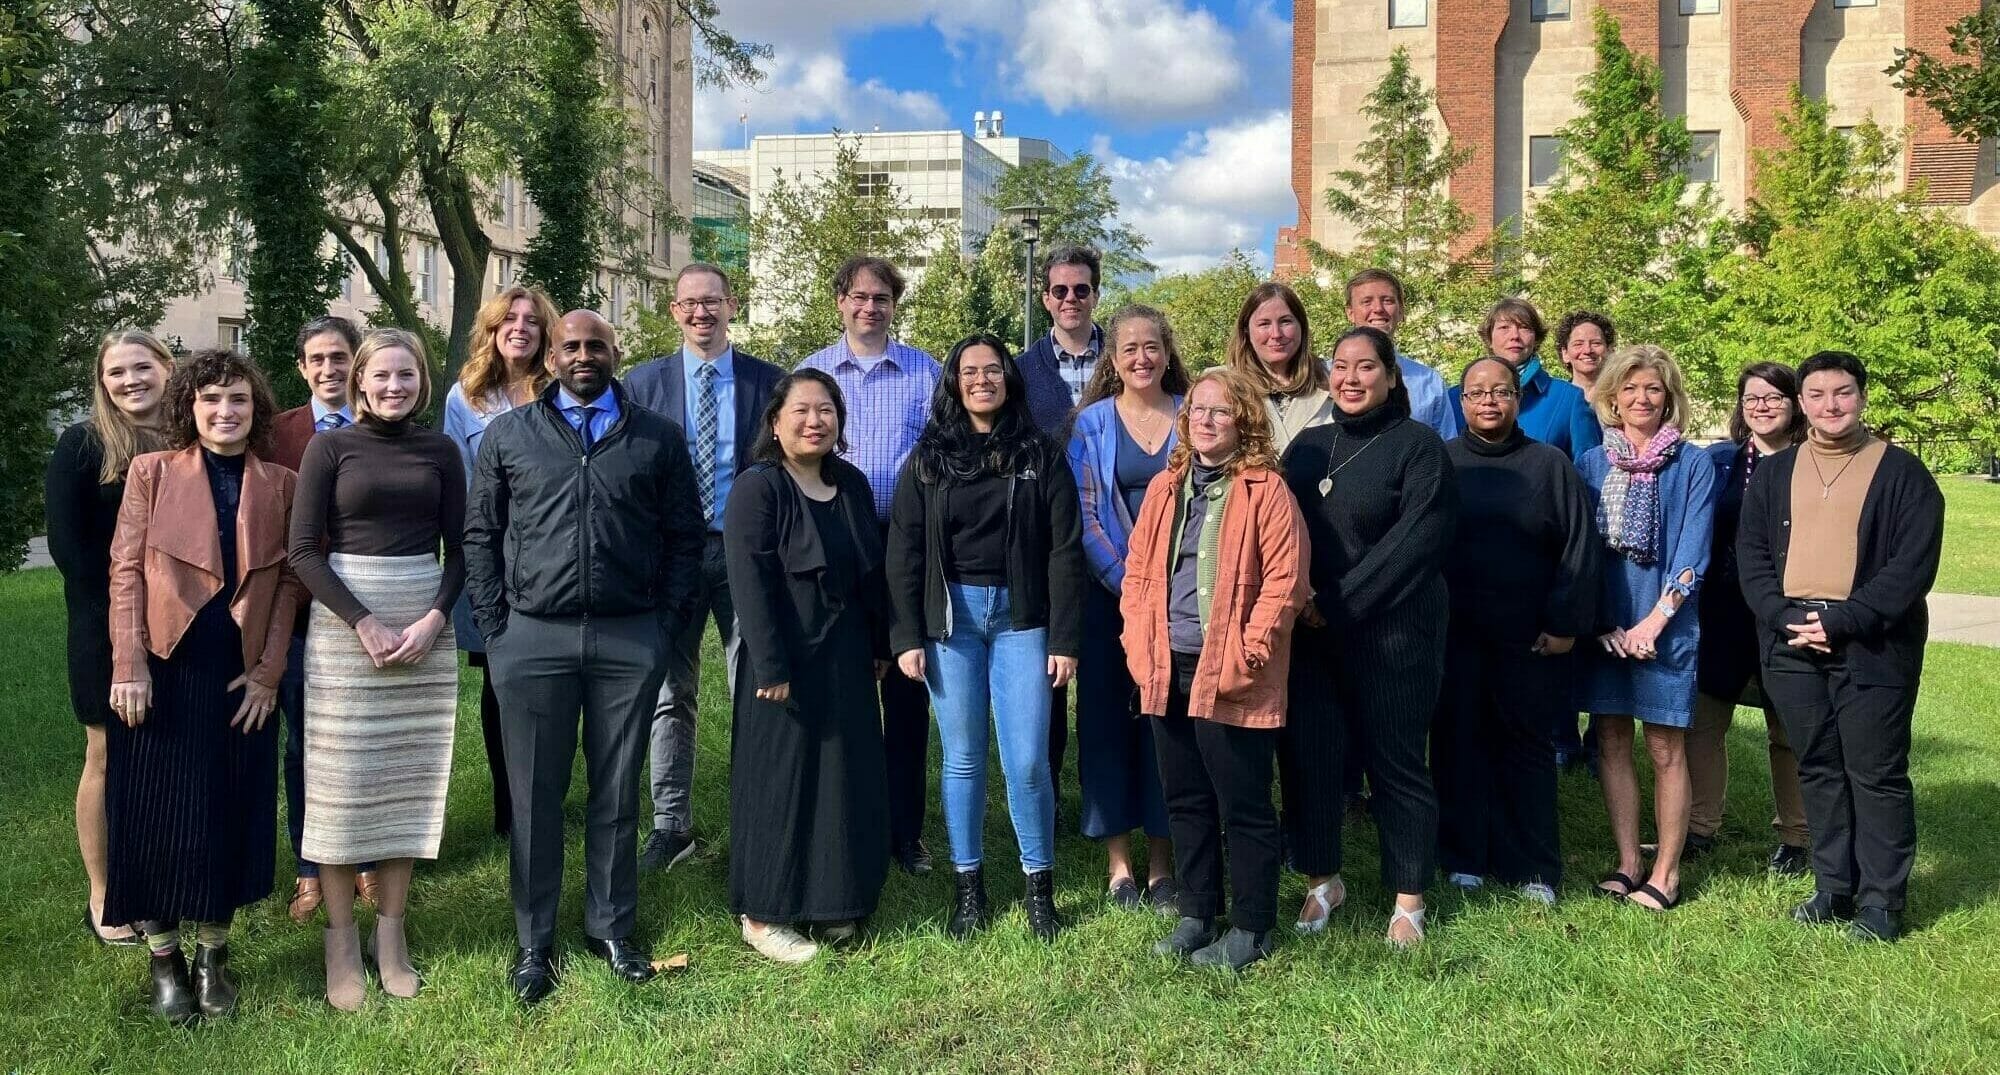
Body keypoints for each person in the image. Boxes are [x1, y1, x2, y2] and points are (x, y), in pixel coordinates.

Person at [463, 309, 705, 1005]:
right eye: (570, 344)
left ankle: (610, 925)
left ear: (614, 352)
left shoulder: (656, 437)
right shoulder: (511, 434)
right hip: (531, 635)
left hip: (629, 636)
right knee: (535, 794)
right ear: (553, 353)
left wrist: (664, 625)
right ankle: (534, 941)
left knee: (616, 787)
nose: (583, 354)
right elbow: (480, 534)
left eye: (596, 344)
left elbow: (684, 537)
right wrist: (496, 626)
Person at [105, 350, 304, 1023]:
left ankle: (213, 956)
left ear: (257, 409)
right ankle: (164, 960)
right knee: (156, 819)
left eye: (239, 400)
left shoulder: (280, 482)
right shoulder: (150, 472)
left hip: (239, 676)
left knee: (229, 813)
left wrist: (270, 672)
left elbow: (290, 585)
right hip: (162, 671)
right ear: (189, 405)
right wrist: (128, 665)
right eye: (212, 399)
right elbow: (125, 571)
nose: (226, 411)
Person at [1737, 351, 1944, 944]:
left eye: (1844, 393)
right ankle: (1834, 887)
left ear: (1862, 397)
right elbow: (1751, 557)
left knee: (1874, 771)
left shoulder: (1904, 474)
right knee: (1819, 766)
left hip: (1873, 645)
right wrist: (1782, 616)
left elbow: (1911, 568)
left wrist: (1846, 620)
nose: (1831, 406)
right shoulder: (1775, 474)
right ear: (1802, 403)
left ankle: (1881, 901)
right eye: (1819, 395)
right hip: (1789, 641)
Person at [288, 329, 464, 1010]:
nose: (394, 386)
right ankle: (340, 943)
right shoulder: (328, 448)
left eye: (407, 375)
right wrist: (361, 620)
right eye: (382, 376)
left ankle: (390, 936)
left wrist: (434, 620)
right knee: (340, 790)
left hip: (421, 624)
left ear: (422, 381)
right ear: (359, 381)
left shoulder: (441, 449)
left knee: (403, 786)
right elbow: (302, 552)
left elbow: (464, 548)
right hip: (345, 627)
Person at [887, 334, 1085, 942]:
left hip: (1022, 618)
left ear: (1008, 378)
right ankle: (968, 887)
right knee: (964, 758)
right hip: (952, 623)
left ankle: (1038, 887)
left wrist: (1065, 639)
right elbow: (904, 550)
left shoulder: (1040, 454)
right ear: (953, 383)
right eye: (969, 371)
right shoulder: (928, 459)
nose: (981, 380)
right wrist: (907, 635)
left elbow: (1064, 549)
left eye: (992, 370)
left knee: (1027, 760)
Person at [1122, 367, 1310, 971]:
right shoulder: (1165, 487)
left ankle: (1252, 927)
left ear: (1244, 421)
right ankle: (1198, 912)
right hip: (1164, 663)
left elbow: (1287, 581)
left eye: (1220, 412)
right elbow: (1137, 575)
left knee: (1243, 803)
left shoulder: (1267, 490)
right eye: (1197, 410)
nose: (1205, 420)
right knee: (1185, 797)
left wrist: (1251, 650)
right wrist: (1135, 641)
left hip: (1229, 668)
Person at [1280, 326, 1454, 947]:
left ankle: (1409, 897)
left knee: (1396, 760)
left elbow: (1417, 542)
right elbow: (1277, 528)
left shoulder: (1420, 447)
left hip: (1395, 630)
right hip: (1310, 634)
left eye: (1366, 367)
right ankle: (1323, 880)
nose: (1351, 378)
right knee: (1313, 758)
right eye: (1341, 367)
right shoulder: (1306, 447)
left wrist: (1339, 604)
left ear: (1391, 377)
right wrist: (1295, 601)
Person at [723, 369, 891, 963]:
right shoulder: (758, 487)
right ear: (775, 422)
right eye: (801, 410)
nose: (814, 420)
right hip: (784, 661)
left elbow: (869, 576)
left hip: (845, 654)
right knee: (783, 781)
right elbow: (749, 582)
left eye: (826, 410)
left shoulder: (853, 485)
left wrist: (878, 644)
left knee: (840, 774)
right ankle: (764, 915)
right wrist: (769, 664)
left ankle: (832, 898)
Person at [625, 263, 783, 873]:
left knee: (758, 682)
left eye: (712, 301)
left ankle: (759, 811)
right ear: (674, 310)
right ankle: (672, 825)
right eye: (690, 303)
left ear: (732, 305)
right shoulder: (642, 385)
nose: (701, 313)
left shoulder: (769, 383)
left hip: (743, 552)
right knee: (672, 691)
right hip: (670, 555)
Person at [1433, 357, 1600, 902]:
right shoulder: (1441, 463)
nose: (1488, 401)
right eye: (1477, 392)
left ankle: (1532, 867)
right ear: (1461, 401)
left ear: (1515, 399)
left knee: (1526, 749)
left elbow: (1578, 549)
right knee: (1458, 743)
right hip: (1454, 634)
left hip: (1530, 638)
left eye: (1500, 392)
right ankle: (1463, 857)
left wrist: (1564, 625)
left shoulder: (1550, 465)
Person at [799, 256, 943, 876]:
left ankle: (905, 832)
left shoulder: (925, 372)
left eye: (881, 298)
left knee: (908, 692)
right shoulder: (811, 373)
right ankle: (847, 819)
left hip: (907, 547)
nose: (870, 307)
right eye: (859, 296)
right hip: (836, 547)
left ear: (894, 305)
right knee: (845, 688)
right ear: (840, 301)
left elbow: (944, 452)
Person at [1576, 345, 1715, 913]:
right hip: (1607, 629)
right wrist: (1603, 623)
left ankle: (1667, 871)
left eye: (1653, 389)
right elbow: (1582, 553)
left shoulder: (1693, 464)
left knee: (1664, 747)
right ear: (1612, 396)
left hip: (1666, 626)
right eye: (1629, 389)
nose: (1641, 398)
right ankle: (1629, 860)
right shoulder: (1590, 463)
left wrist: (1654, 622)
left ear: (1669, 397)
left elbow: (1694, 548)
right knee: (1610, 739)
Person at [46, 330, 172, 947]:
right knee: (105, 755)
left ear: (165, 368)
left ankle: (160, 879)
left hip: (182, 630)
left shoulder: (189, 439)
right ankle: (103, 891)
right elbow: (72, 553)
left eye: (141, 367)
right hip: (103, 626)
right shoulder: (83, 446)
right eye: (116, 372)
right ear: (102, 381)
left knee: (164, 757)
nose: (130, 381)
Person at [1065, 304, 1187, 911]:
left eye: (1152, 346)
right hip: (1110, 599)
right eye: (1129, 348)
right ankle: (1119, 867)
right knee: (1109, 723)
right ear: (1112, 360)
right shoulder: (1090, 425)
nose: (1141, 358)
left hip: (1183, 597)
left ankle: (1163, 865)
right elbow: (1084, 516)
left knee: (1167, 725)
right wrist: (1129, 583)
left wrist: (1168, 587)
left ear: (1167, 352)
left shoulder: (1194, 414)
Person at [267, 315, 378, 921]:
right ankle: (311, 866)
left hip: (369, 609)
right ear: (302, 367)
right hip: (301, 612)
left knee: (358, 741)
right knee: (304, 743)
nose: (330, 370)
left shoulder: (382, 424)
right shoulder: (278, 434)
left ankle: (362, 860)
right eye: (318, 359)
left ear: (356, 362)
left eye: (341, 357)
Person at [443, 285, 558, 841]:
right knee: (500, 679)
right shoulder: (463, 398)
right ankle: (508, 807)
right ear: (491, 328)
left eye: (532, 321)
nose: (520, 327)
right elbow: (459, 483)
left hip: (556, 555)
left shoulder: (560, 391)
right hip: (492, 557)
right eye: (508, 318)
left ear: (545, 333)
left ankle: (548, 797)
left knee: (555, 681)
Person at [1690, 363, 1811, 873]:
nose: (1761, 406)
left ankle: (1798, 835)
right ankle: (1699, 826)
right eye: (1751, 398)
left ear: (1795, 404)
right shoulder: (1719, 462)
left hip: (1789, 613)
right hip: (1723, 611)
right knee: (1703, 723)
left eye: (1773, 397)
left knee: (1788, 728)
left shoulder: (1813, 464)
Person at [1015, 244, 1105, 808]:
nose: (1070, 299)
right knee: (1046, 673)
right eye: (1059, 290)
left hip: (1119, 529)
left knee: (1106, 677)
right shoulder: (1023, 371)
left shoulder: (1124, 359)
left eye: (1081, 289)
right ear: (1044, 298)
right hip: (1046, 536)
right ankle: (1043, 795)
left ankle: (1103, 795)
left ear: (1096, 293)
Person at [1448, 298, 1599, 460]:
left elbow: (1589, 470)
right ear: (1489, 338)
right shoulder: (1453, 398)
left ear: (1536, 338)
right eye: (1504, 327)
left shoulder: (1568, 398)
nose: (1514, 336)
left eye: (1524, 327)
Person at [1343, 268, 1457, 439]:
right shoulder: (1328, 378)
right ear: (1350, 313)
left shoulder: (1429, 381)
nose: (1378, 309)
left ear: (1401, 311)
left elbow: (1447, 448)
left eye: (1387, 300)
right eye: (1366, 301)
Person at [1227, 282, 1329, 456]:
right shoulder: (1224, 387)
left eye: (1285, 322)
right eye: (1264, 324)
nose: (1276, 334)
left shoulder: (1333, 380)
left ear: (1301, 326)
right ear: (1246, 331)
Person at [1556, 311, 1615, 398]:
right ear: (1565, 354)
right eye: (1578, 344)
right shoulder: (1556, 400)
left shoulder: (1622, 400)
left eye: (1596, 343)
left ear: (1610, 350)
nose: (1587, 350)